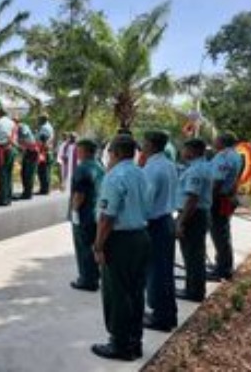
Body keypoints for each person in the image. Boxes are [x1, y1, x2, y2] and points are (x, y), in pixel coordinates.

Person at [91, 135, 151, 361]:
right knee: (135, 292)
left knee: (117, 294)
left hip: (120, 240)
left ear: (114, 152)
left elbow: (107, 217)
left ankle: (119, 344)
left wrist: (98, 246)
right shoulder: (140, 173)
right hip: (141, 236)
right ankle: (134, 342)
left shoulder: (114, 176)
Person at [141, 131, 180, 332]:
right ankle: (168, 313)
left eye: (144, 141)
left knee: (156, 272)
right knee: (165, 272)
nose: (142, 144)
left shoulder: (152, 169)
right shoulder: (168, 164)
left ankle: (160, 317)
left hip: (155, 223)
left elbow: (146, 203)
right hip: (166, 219)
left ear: (150, 144)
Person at [176, 138, 214, 303]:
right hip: (196, 214)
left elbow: (192, 198)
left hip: (194, 215)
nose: (182, 152)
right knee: (193, 254)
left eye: (184, 148)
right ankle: (192, 288)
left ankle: (194, 291)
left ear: (192, 150)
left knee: (193, 255)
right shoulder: (201, 166)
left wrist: (181, 222)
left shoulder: (196, 170)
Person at [69, 138, 105, 292]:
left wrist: (74, 211)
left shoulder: (82, 168)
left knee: (83, 247)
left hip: (84, 214)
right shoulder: (99, 166)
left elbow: (79, 194)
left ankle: (87, 280)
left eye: (79, 150)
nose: (77, 153)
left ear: (84, 151)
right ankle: (95, 276)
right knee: (92, 245)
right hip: (96, 212)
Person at [208, 132, 242, 281]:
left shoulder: (224, 157)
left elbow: (217, 181)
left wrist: (208, 199)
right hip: (226, 196)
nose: (214, 141)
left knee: (219, 233)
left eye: (216, 139)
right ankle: (222, 264)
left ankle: (223, 269)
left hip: (218, 198)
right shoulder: (235, 155)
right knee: (222, 232)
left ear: (222, 142)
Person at [0, 108, 18, 206]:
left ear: (0, 114)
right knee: (9, 174)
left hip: (1, 150)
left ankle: (3, 199)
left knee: (2, 175)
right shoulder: (13, 123)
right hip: (11, 150)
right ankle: (9, 198)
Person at [16, 116, 38, 200]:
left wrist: (17, 135)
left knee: (29, 173)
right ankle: (26, 192)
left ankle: (28, 193)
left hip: (32, 152)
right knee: (24, 173)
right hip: (27, 152)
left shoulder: (22, 126)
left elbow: (24, 135)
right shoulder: (19, 128)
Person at [36, 114, 55, 195]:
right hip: (47, 150)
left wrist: (41, 149)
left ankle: (45, 189)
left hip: (44, 151)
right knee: (46, 170)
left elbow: (43, 138)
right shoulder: (49, 126)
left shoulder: (44, 127)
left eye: (40, 118)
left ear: (43, 119)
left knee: (43, 170)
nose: (39, 120)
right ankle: (45, 188)